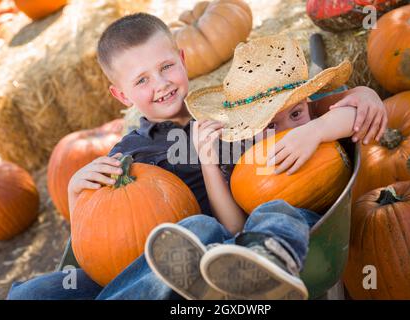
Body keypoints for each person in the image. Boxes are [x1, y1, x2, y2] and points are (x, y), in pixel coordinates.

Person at [7, 14, 386, 300]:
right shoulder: (127, 155)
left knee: (199, 230)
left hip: (217, 245)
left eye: (166, 67)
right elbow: (94, 237)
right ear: (121, 97)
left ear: (183, 60)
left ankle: (264, 264)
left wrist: (364, 97)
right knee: (36, 292)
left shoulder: (233, 121)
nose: (161, 84)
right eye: (141, 80)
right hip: (143, 262)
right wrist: (75, 189)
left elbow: (305, 108)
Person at [144, 34, 386, 300]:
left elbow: (354, 114)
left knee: (277, 211)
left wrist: (316, 130)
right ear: (251, 129)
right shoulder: (252, 155)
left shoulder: (316, 122)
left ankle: (269, 262)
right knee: (198, 225)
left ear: (307, 105)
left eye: (296, 114)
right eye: (270, 125)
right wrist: (208, 163)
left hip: (308, 232)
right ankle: (216, 274)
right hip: (249, 240)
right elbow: (236, 227)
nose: (287, 130)